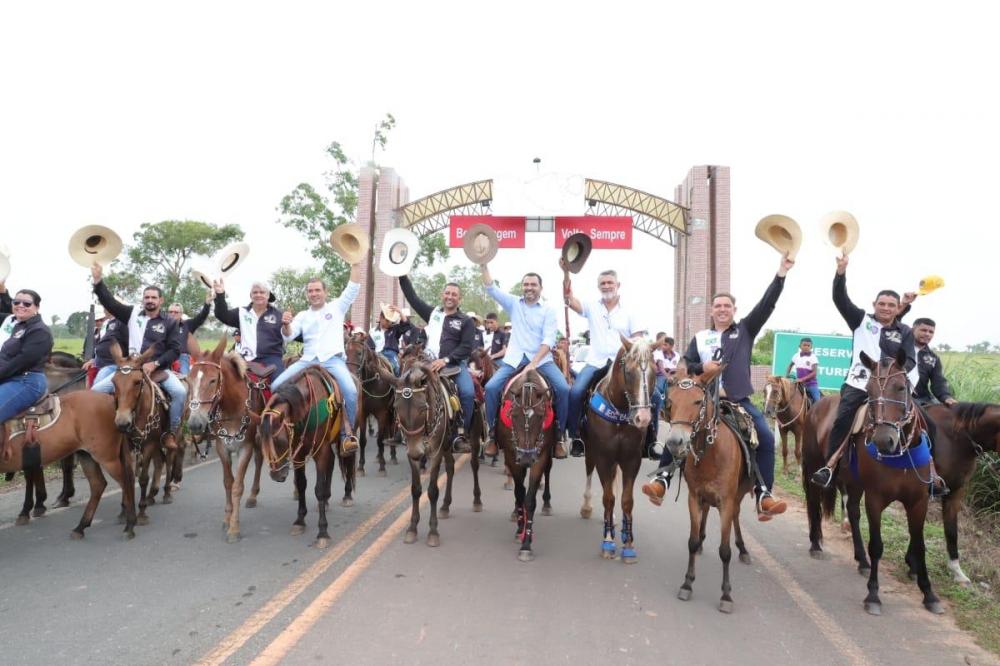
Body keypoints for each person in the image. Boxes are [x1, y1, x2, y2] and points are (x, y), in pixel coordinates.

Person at [643, 255, 795, 520]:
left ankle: (763, 495)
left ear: (734, 310)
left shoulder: (746, 330)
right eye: (717, 306)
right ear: (711, 311)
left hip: (737, 401)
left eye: (727, 306)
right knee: (679, 428)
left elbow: (767, 305)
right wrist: (705, 370)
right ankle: (662, 479)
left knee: (766, 438)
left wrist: (781, 273)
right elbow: (687, 367)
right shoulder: (700, 338)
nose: (722, 309)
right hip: (703, 400)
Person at [810, 254, 918, 488]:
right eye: (882, 304)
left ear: (898, 307)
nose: (886, 308)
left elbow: (910, 360)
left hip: (892, 389)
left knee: (924, 418)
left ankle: (930, 474)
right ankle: (829, 467)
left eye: (891, 305)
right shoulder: (861, 321)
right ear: (874, 305)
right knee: (843, 418)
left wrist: (895, 376)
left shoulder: (905, 331)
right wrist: (840, 272)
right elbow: (840, 298)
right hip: (860, 385)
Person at [90, 263, 184, 450]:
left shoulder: (170, 322)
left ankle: (170, 433)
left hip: (158, 369)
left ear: (161, 300)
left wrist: (155, 363)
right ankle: (108, 430)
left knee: (180, 393)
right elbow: (110, 303)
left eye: (153, 297)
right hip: (130, 369)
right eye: (146, 297)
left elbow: (175, 350)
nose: (149, 300)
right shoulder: (131, 314)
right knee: (95, 392)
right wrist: (98, 282)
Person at [270, 268, 363, 454]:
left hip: (332, 361)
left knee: (351, 391)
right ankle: (281, 430)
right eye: (310, 291)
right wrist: (286, 324)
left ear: (325, 292)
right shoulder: (303, 315)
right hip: (307, 361)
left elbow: (352, 288)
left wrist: (355, 264)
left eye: (317, 290)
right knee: (275, 386)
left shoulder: (337, 306)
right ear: (307, 294)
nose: (314, 294)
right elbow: (289, 336)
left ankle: (347, 435)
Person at [481, 267, 570, 459]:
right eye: (526, 284)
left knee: (563, 389)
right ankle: (492, 435)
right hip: (513, 360)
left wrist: (534, 363)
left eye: (533, 285)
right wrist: (483, 263)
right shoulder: (514, 303)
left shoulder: (548, 311)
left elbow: (548, 340)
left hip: (542, 361)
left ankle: (560, 437)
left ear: (541, 288)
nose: (529, 288)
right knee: (490, 388)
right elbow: (491, 288)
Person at [562, 268, 646, 457]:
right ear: (598, 286)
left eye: (610, 283)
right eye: (603, 283)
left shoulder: (631, 310)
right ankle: (575, 437)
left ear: (618, 285)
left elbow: (638, 340)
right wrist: (566, 273)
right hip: (596, 361)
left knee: (654, 396)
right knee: (575, 392)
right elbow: (569, 301)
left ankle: (650, 440)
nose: (607, 286)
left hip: (624, 364)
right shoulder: (591, 306)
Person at [397, 275, 477, 453]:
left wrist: (446, 360)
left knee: (468, 392)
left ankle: (461, 434)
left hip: (453, 366)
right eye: (447, 293)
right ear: (442, 295)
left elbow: (466, 347)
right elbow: (413, 297)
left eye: (454, 294)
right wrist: (402, 275)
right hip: (426, 363)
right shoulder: (433, 314)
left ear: (459, 299)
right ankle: (400, 427)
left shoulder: (466, 321)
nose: (450, 297)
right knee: (403, 385)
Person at [0, 285, 53, 430]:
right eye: (16, 302)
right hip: (11, 377)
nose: (20, 305)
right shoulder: (18, 327)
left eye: (27, 303)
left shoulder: (40, 331)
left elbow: (22, 360)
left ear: (37, 307)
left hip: (26, 382)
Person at [213, 279, 286, 375]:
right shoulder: (241, 312)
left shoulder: (279, 315)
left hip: (272, 359)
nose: (258, 295)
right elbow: (222, 315)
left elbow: (293, 333)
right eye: (255, 292)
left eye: (262, 292)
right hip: (244, 358)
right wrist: (220, 294)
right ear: (251, 296)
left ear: (268, 295)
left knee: (281, 385)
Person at [911, 317, 956, 407]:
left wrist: (946, 397)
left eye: (931, 332)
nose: (927, 334)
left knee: (945, 415)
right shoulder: (899, 350)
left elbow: (938, 381)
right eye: (923, 330)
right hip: (899, 397)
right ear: (913, 330)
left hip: (922, 398)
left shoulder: (933, 358)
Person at [82, 308, 127, 388]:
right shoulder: (107, 325)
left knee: (96, 388)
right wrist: (93, 360)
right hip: (99, 362)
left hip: (112, 364)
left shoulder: (121, 323)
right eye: (97, 320)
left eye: (100, 320)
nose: (99, 322)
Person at [167, 296, 211, 374]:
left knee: (184, 375)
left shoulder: (187, 324)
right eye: (170, 312)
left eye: (176, 312)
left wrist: (207, 304)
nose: (173, 314)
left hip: (182, 357)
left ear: (181, 314)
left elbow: (201, 317)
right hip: (165, 356)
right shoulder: (162, 325)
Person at [649, 334, 679, 446]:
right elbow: (661, 368)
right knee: (659, 390)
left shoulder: (677, 355)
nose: (663, 346)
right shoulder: (658, 354)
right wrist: (668, 376)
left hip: (673, 375)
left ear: (671, 346)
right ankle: (660, 409)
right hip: (661, 375)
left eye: (665, 344)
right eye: (662, 344)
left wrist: (673, 373)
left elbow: (678, 367)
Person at [366, 303, 412, 375]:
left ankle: (398, 385)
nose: (389, 323)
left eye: (390, 321)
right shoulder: (372, 332)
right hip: (376, 355)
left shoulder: (395, 329)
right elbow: (370, 348)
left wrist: (399, 312)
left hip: (391, 354)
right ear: (381, 318)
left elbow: (406, 325)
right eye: (387, 320)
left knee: (396, 368)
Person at [785, 337, 821, 404]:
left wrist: (802, 379)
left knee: (817, 401)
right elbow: (790, 365)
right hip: (799, 384)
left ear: (811, 347)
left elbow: (814, 373)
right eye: (804, 345)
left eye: (808, 345)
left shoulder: (813, 357)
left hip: (811, 385)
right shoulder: (796, 356)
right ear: (800, 346)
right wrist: (787, 375)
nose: (806, 347)